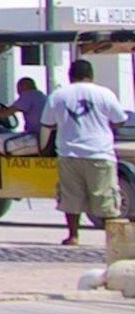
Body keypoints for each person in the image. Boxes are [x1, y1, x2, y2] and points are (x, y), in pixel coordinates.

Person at [48, 57, 129, 247]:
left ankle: (73, 236)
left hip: (69, 153)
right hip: (99, 152)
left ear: (70, 76)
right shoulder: (104, 94)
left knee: (71, 197)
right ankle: (113, 239)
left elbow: (48, 123)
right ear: (91, 75)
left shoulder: (58, 95)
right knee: (105, 196)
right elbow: (120, 120)